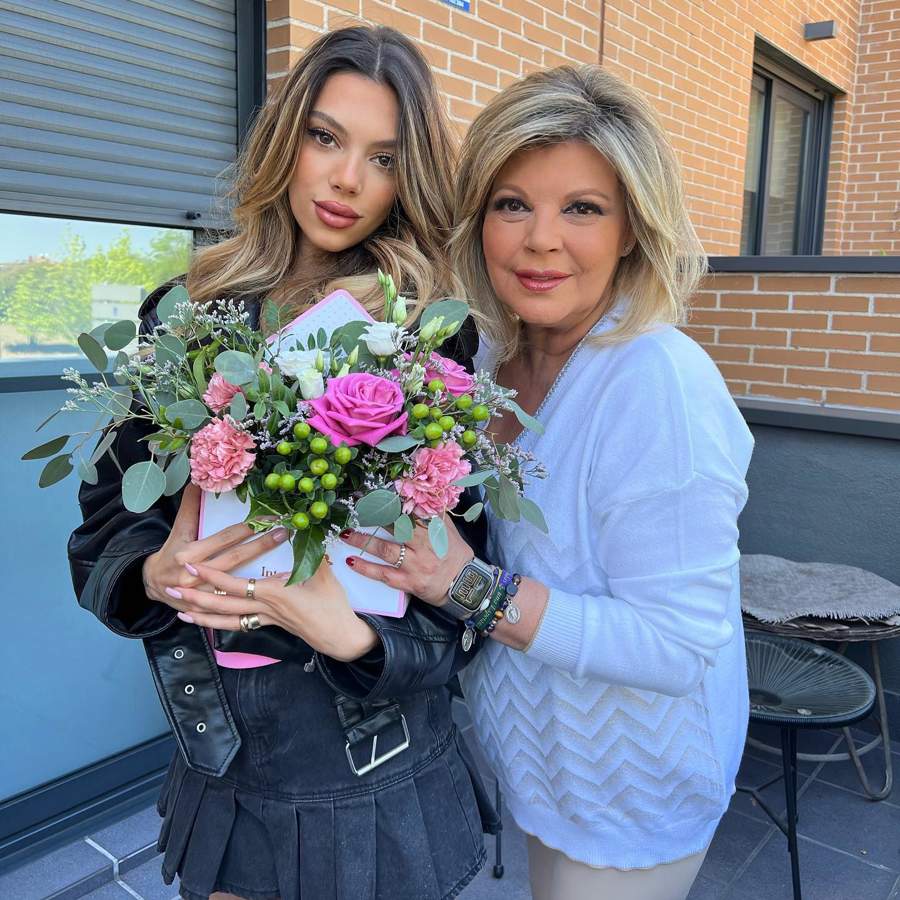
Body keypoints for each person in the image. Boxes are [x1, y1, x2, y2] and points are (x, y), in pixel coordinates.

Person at [68, 26, 496, 900]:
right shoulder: (187, 313)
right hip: (227, 755)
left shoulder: (425, 334)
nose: (347, 180)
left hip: (372, 762)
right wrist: (153, 572)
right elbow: (106, 521)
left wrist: (351, 634)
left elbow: (457, 575)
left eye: (384, 158)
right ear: (285, 140)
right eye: (326, 137)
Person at [339, 65, 754, 900]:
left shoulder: (657, 382)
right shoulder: (488, 360)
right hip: (535, 759)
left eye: (583, 208)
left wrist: (471, 589)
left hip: (632, 784)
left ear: (633, 228)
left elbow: (677, 645)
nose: (540, 240)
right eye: (512, 203)